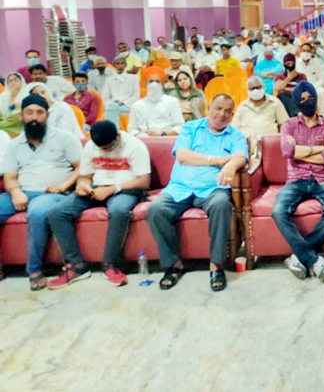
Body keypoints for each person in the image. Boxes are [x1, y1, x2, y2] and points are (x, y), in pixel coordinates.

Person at [146, 94, 248, 292]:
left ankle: (216, 265)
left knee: (221, 204)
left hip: (212, 189)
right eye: (218, 108)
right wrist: (219, 161)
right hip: (180, 187)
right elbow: (183, 156)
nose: (222, 114)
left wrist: (233, 164)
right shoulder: (191, 128)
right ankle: (174, 264)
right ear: (208, 108)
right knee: (155, 210)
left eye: (228, 111)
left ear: (232, 114)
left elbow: (240, 157)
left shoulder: (235, 135)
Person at [46, 121, 151, 289]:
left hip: (126, 188)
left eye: (108, 148)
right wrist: (82, 185)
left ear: (117, 136)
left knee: (118, 210)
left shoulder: (134, 145)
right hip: (95, 188)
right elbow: (84, 176)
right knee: (57, 212)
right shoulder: (91, 146)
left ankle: (110, 265)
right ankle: (77, 266)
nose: (104, 151)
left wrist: (112, 189)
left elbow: (144, 181)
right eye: (101, 148)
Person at [0, 94, 82, 290]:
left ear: (48, 115)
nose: (34, 117)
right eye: (29, 112)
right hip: (22, 192)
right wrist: (16, 192)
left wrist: (64, 185)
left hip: (52, 194)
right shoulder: (14, 145)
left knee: (37, 212)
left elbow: (82, 168)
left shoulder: (64, 138)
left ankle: (35, 270)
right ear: (22, 116)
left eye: (39, 112)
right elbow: (10, 176)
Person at [273, 82, 324, 283]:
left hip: (323, 179)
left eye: (309, 97)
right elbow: (287, 152)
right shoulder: (289, 125)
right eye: (302, 99)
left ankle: (299, 256)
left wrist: (300, 151)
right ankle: (313, 259)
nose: (307, 101)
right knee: (278, 211)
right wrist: (317, 149)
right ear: (296, 103)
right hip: (296, 179)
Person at [127, 66, 184, 138]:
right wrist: (140, 134)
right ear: (145, 83)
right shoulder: (137, 105)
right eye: (150, 81)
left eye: (157, 81)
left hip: (166, 140)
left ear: (163, 83)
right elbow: (131, 129)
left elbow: (180, 126)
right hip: (143, 140)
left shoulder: (172, 102)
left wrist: (162, 133)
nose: (154, 85)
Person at [103, 55, 140, 128]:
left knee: (111, 110)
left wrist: (123, 103)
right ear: (114, 65)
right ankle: (115, 131)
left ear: (125, 65)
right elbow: (105, 96)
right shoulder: (109, 80)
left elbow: (136, 95)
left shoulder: (133, 78)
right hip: (113, 104)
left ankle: (113, 131)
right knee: (111, 108)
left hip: (129, 105)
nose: (120, 65)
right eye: (118, 63)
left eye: (122, 63)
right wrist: (112, 103)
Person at [296, 43, 324, 115]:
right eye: (304, 51)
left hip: (314, 86)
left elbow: (322, 79)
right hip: (299, 88)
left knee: (322, 91)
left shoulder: (316, 63)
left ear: (311, 52)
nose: (305, 53)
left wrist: (312, 88)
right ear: (300, 51)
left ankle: (319, 114)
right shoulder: (296, 62)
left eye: (308, 51)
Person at [0, 72, 29, 137]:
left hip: (21, 133)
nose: (13, 82)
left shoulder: (27, 96)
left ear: (22, 81)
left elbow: (16, 119)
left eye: (16, 80)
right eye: (10, 81)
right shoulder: (2, 98)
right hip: (3, 133)